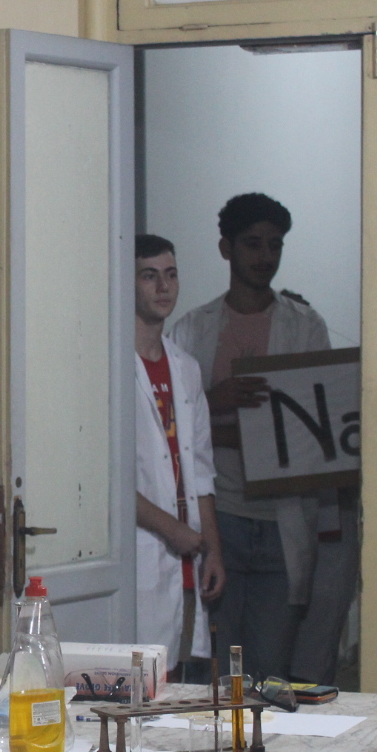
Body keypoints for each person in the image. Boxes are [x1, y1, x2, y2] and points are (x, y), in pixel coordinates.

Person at [169, 193, 330, 683]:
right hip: (220, 516)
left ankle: (261, 737)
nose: (265, 256)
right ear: (227, 248)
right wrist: (215, 401)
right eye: (253, 244)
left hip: (282, 517)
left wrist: (238, 432)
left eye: (274, 245)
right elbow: (171, 430)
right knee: (210, 666)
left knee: (268, 671)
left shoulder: (305, 327)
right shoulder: (193, 329)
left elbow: (316, 426)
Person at [132, 235, 223, 681]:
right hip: (145, 549)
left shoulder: (185, 367)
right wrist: (173, 530)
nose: (163, 287)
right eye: (149, 276)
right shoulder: (112, 366)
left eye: (170, 275)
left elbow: (200, 470)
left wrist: (213, 550)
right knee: (142, 677)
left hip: (188, 557)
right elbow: (111, 482)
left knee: (183, 679)